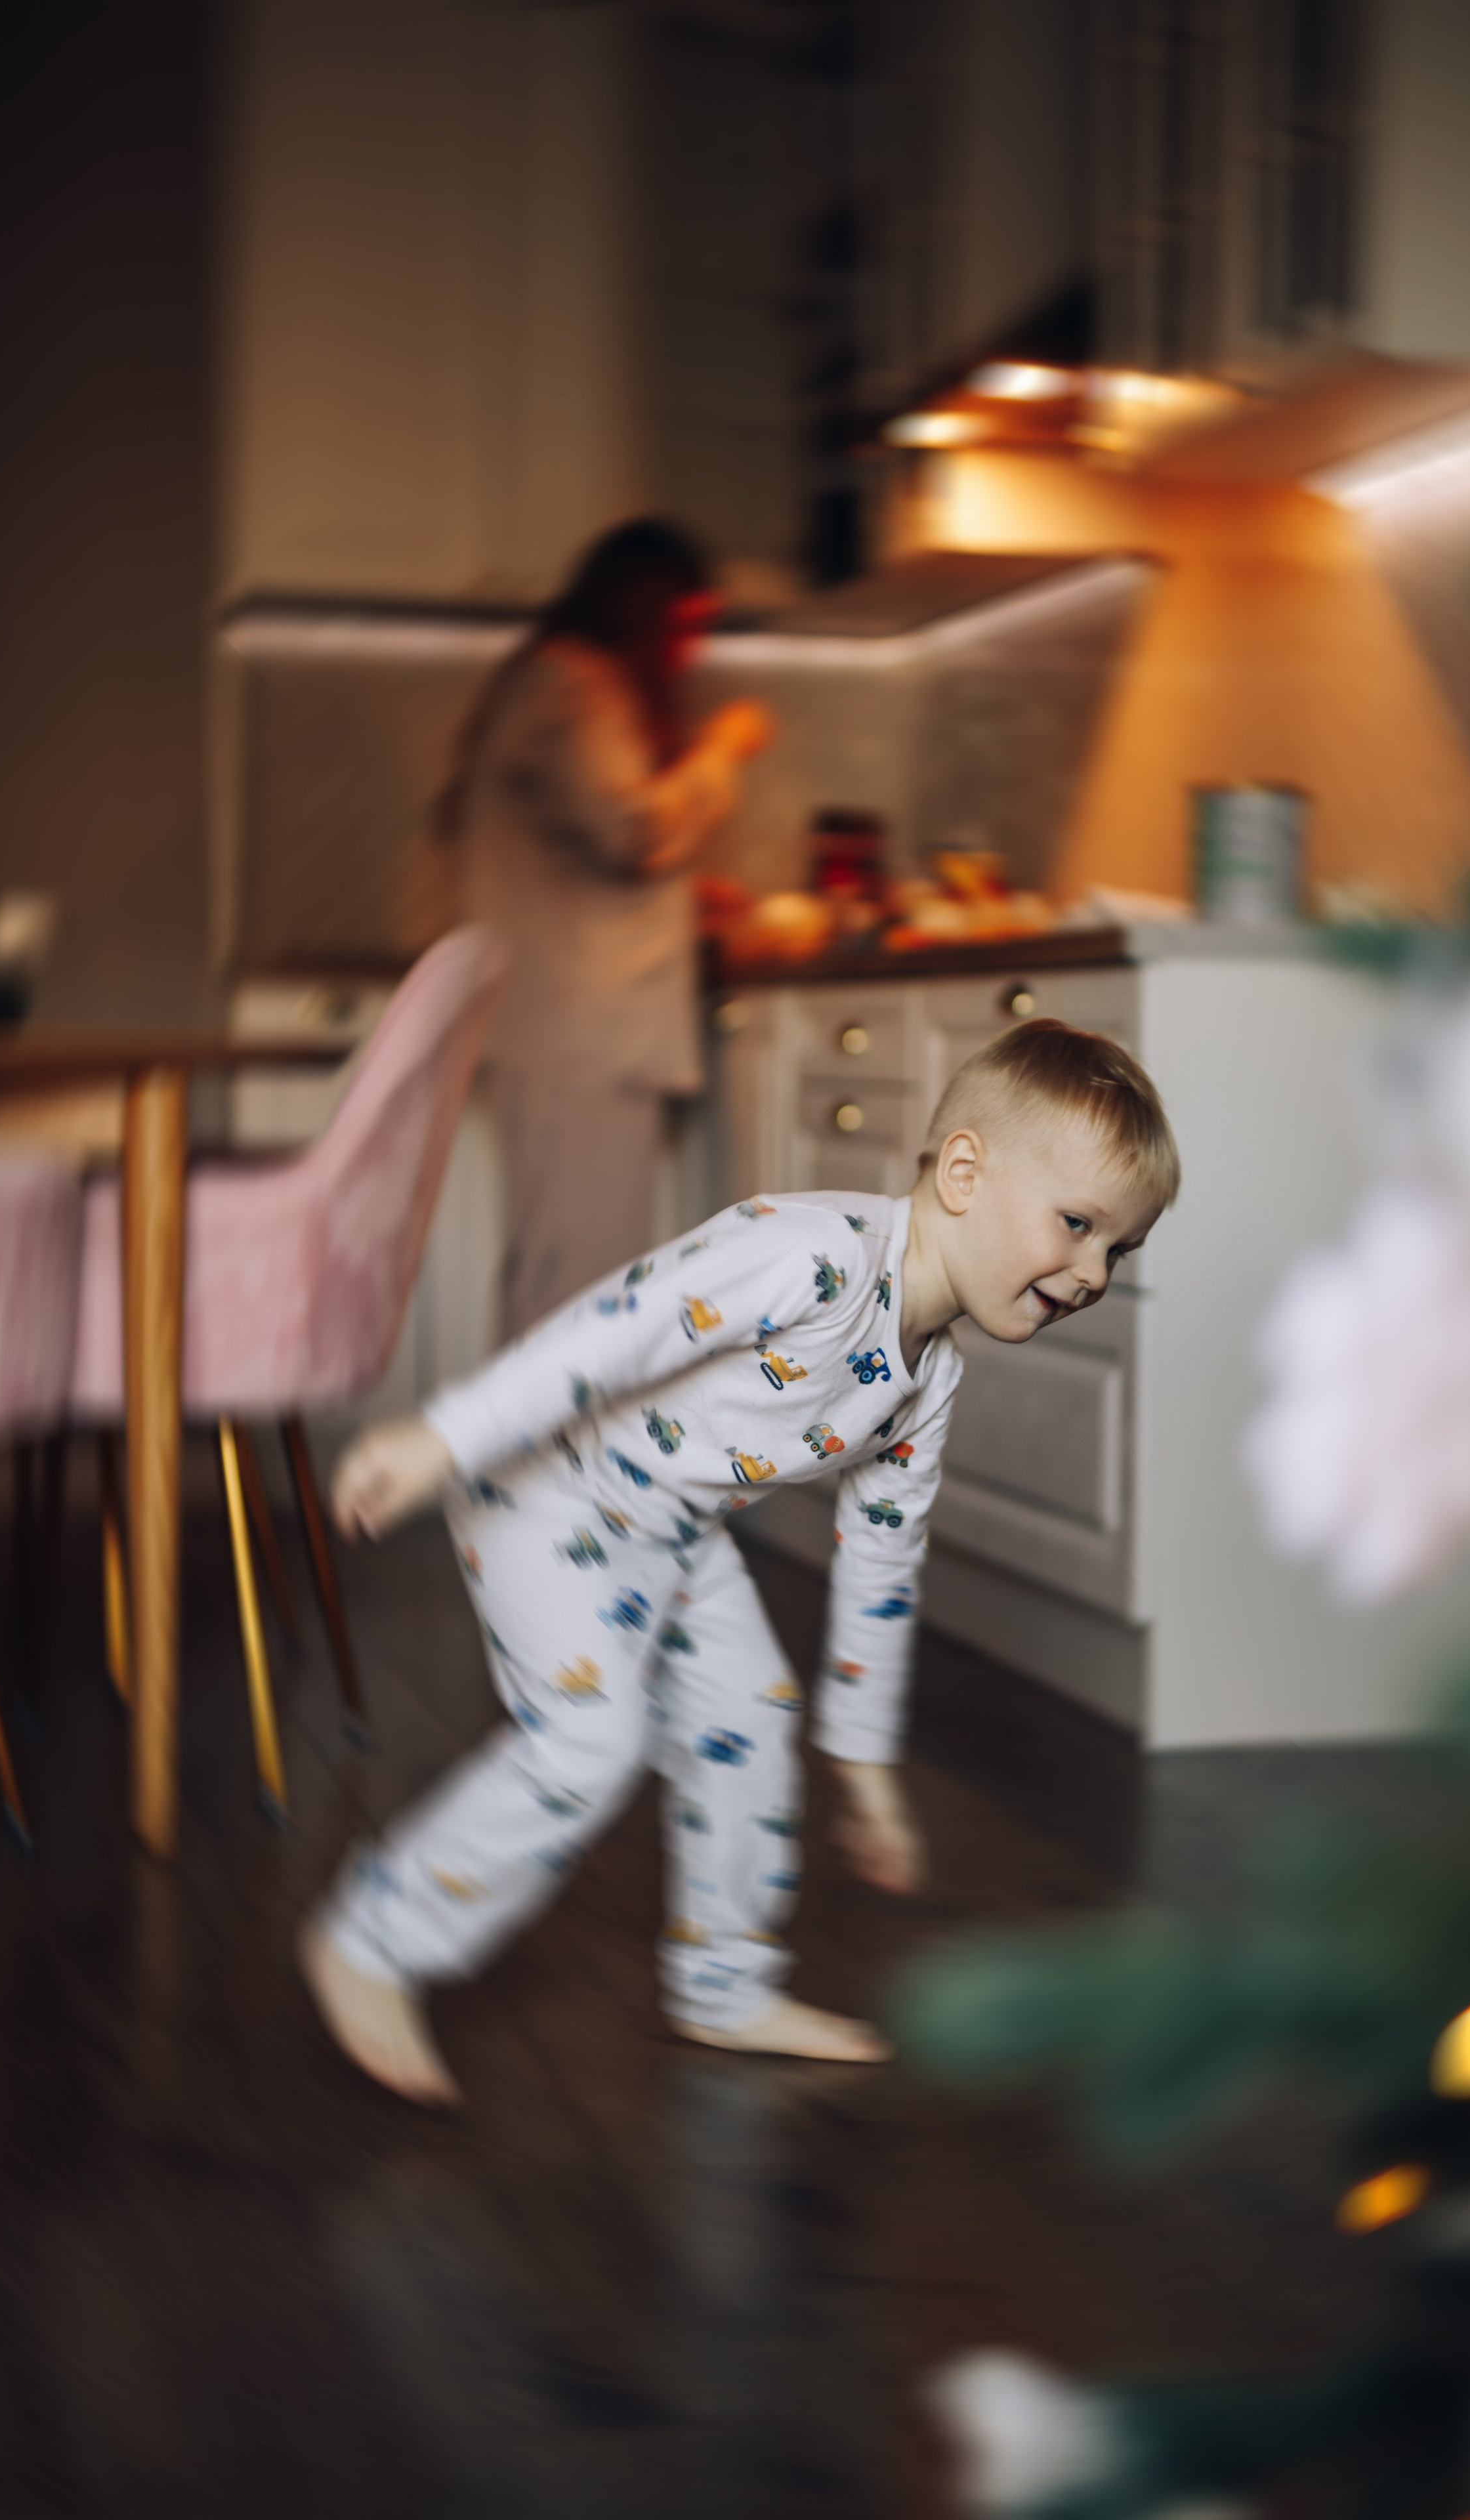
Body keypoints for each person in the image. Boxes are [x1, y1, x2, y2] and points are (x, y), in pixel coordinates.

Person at [299, 1020, 1181, 2103]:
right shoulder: (811, 1256)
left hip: (670, 1527)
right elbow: (617, 1329)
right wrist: (447, 1437)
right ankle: (373, 1941)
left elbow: (883, 1557)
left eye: (1119, 1251)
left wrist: (860, 1755)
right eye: (1078, 1225)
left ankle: (723, 1985)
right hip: (548, 1492)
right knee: (589, 1739)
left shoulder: (927, 1382)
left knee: (750, 1723)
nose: (1092, 1273)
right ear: (963, 1173)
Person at [430, 516, 774, 1340]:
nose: (691, 652)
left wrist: (689, 899)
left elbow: (574, 848)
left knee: (559, 1274)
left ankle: (529, 1430)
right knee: (579, 1284)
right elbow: (630, 830)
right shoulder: (574, 682)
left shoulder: (549, 680)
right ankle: (549, 1432)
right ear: (643, 609)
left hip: (564, 1031)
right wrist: (720, 751)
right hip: (579, 1036)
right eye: (685, 625)